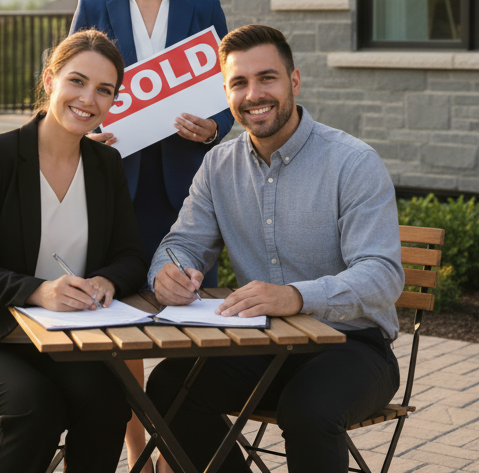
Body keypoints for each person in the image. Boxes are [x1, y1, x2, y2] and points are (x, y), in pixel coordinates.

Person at [147, 24, 405, 473]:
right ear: (226, 93)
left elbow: (382, 273)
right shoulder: (218, 165)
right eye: (239, 83)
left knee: (308, 409)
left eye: (267, 78)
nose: (254, 94)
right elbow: (182, 243)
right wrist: (168, 271)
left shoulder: (353, 162)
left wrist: (297, 296)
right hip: (265, 344)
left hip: (353, 347)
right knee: (169, 387)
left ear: (294, 81)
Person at [0, 29, 147, 473]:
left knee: (107, 401)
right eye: (77, 81)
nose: (89, 99)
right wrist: (39, 291)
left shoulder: (105, 165)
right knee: (34, 407)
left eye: (105, 90)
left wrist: (108, 280)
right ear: (50, 81)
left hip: (60, 347)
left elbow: (132, 256)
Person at [70, 0, 234, 471]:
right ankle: (141, 454)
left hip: (187, 194)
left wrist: (210, 128)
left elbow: (225, 93)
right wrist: (87, 133)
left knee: (190, 316)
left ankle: (179, 449)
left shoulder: (203, 6)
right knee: (125, 328)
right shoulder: (94, 6)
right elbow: (73, 89)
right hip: (114, 191)